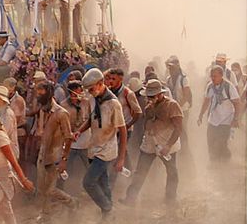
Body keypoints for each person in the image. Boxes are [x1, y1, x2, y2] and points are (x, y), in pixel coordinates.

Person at [123, 79, 182, 207]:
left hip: (167, 143)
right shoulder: (148, 107)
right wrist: (148, 125)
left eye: (152, 95)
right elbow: (146, 124)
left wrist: (168, 146)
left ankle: (170, 199)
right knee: (140, 171)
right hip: (150, 142)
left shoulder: (172, 106)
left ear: (160, 94)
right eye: (148, 96)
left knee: (172, 172)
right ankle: (130, 198)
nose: (149, 98)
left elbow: (178, 128)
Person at [78, 68, 125, 214]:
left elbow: (122, 131)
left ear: (100, 84)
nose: (90, 92)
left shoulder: (113, 104)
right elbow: (92, 120)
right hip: (94, 148)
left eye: (91, 89)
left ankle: (107, 207)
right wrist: (79, 131)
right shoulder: (94, 99)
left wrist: (121, 159)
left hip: (106, 151)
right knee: (103, 183)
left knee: (88, 182)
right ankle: (108, 214)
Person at [31, 81, 75, 217]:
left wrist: (64, 159)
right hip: (42, 155)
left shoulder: (61, 114)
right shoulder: (42, 111)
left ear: (49, 92)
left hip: (54, 157)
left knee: (50, 190)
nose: (38, 95)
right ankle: (46, 215)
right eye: (37, 91)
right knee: (42, 189)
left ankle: (72, 202)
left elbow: (69, 137)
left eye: (41, 92)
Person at [197, 63, 238, 163]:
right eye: (211, 76)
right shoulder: (210, 86)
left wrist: (235, 119)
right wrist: (200, 115)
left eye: (215, 76)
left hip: (226, 120)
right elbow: (206, 101)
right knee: (210, 142)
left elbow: (237, 103)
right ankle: (213, 162)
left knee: (221, 143)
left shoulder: (229, 87)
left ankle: (224, 163)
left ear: (221, 75)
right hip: (213, 119)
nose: (212, 78)